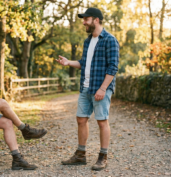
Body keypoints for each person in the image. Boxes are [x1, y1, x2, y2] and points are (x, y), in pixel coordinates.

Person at [56, 7, 119, 171]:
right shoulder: (87, 41)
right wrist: (69, 62)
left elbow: (113, 67)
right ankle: (81, 155)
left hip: (101, 89)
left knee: (102, 121)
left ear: (96, 20)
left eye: (86, 19)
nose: (83, 22)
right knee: (81, 119)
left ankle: (103, 156)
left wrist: (103, 89)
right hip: (86, 87)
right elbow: (84, 63)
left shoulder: (109, 40)